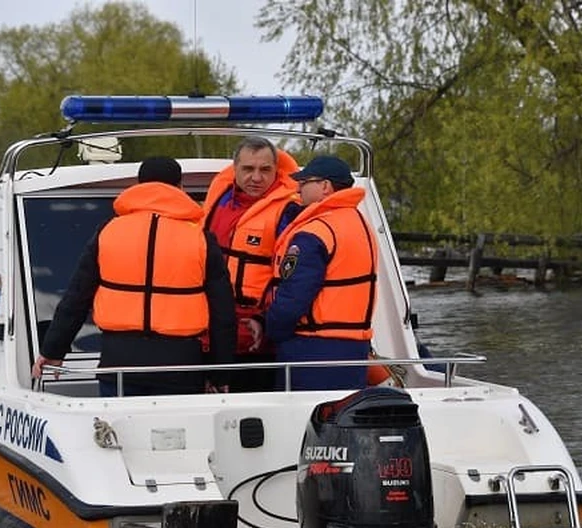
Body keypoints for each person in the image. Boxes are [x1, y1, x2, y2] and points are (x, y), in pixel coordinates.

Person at [32, 156, 236, 396]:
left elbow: (76, 298)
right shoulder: (201, 239)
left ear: (138, 186)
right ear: (180, 188)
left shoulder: (108, 231)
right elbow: (223, 313)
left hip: (118, 364)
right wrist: (220, 373)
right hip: (181, 367)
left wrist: (53, 351)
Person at [257, 155, 379, 391]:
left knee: (300, 422)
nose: (298, 188)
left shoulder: (315, 232)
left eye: (304, 182)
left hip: (312, 351)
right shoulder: (360, 224)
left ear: (325, 186)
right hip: (354, 351)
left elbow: (293, 296)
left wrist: (272, 331)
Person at [201, 136, 302, 391]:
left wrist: (265, 321)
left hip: (259, 340)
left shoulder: (289, 211)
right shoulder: (219, 200)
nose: (256, 177)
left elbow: (292, 279)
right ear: (235, 170)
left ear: (276, 171)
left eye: (265, 170)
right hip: (211, 334)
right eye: (248, 169)